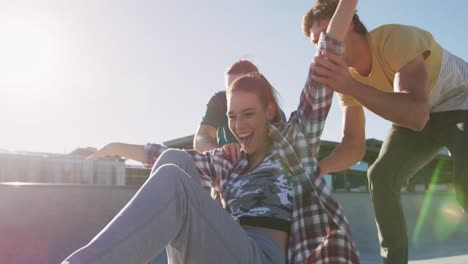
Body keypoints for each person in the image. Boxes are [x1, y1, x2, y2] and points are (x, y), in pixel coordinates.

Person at [62, 1, 360, 262]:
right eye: (232, 117)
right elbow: (162, 155)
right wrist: (115, 146)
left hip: (265, 255)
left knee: (175, 181)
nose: (239, 126)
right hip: (227, 246)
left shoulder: (296, 140)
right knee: (174, 163)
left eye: (248, 115)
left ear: (269, 112)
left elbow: (324, 60)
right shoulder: (229, 161)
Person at [303, 0, 468, 263]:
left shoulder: (394, 40)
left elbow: (416, 112)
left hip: (460, 101)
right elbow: (353, 147)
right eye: (315, 43)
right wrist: (317, 168)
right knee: (380, 176)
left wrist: (352, 87)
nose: (324, 47)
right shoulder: (347, 78)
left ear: (351, 23)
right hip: (420, 116)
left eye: (327, 34)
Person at [194, 60, 287, 201]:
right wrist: (224, 155)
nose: (233, 94)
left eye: (240, 85)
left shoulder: (275, 113)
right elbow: (200, 139)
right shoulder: (220, 101)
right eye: (229, 89)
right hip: (224, 183)